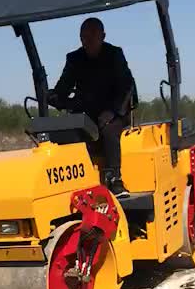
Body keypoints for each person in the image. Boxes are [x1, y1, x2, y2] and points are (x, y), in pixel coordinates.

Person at [48, 17, 137, 197]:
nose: (87, 42)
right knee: (63, 132)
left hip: (115, 113)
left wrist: (112, 112)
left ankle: (114, 179)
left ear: (102, 36)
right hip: (87, 114)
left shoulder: (114, 55)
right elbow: (63, 88)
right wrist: (52, 96)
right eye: (83, 38)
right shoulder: (74, 59)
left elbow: (127, 87)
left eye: (91, 37)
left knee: (108, 130)